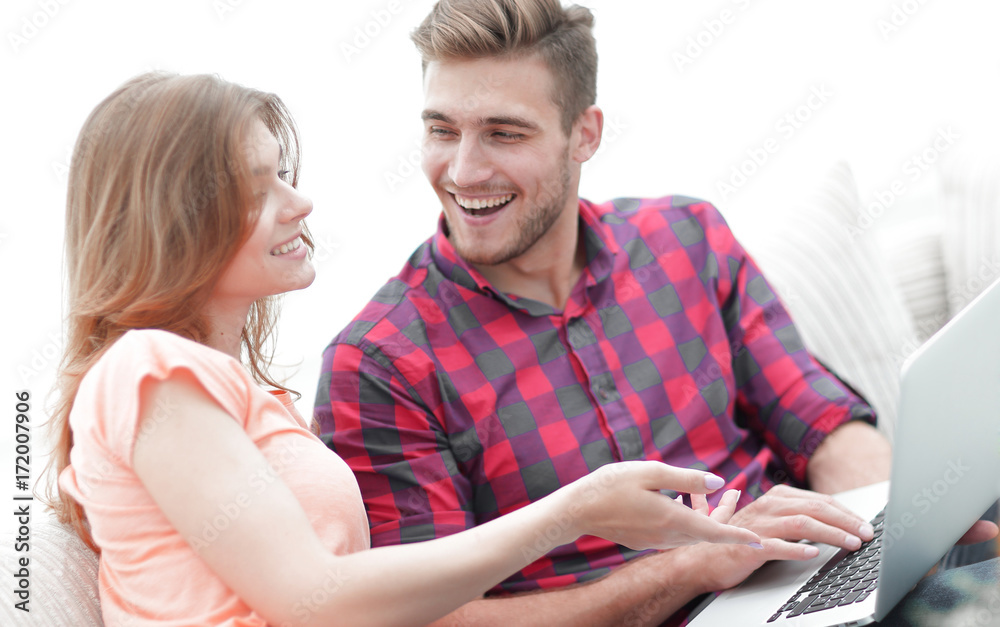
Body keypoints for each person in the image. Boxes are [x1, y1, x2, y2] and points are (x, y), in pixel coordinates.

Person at [313, 1, 995, 625]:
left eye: (503, 133)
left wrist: (896, 517)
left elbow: (820, 424)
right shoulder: (379, 364)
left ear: (585, 134)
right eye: (442, 129)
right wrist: (687, 569)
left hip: (803, 589)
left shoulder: (686, 238)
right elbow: (432, 618)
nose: (462, 170)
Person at [45, 71, 765, 627]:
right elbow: (315, 599)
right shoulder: (148, 370)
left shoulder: (234, 394)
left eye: (285, 176)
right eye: (257, 188)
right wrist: (572, 510)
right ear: (174, 218)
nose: (299, 204)